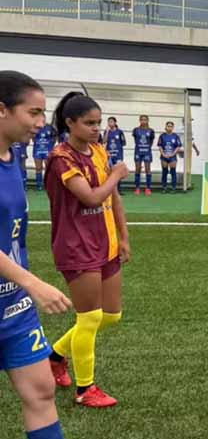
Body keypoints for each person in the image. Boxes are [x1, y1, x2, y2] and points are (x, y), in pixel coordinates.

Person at [0, 71, 120, 439]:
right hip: (23, 287)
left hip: (11, 305)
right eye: (32, 112)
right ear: (1, 110)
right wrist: (32, 282)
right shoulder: (56, 158)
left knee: (41, 391)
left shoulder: (13, 158)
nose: (39, 121)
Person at [45, 91, 131, 409]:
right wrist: (117, 175)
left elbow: (113, 199)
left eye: (98, 123)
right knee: (91, 317)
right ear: (70, 123)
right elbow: (92, 197)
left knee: (111, 315)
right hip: (76, 245)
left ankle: (54, 356)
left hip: (104, 241)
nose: (96, 129)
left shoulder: (99, 151)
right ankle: (86, 389)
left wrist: (123, 236)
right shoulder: (61, 159)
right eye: (89, 123)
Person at [157, 121, 183, 193]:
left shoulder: (175, 136)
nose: (169, 127)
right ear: (166, 127)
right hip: (164, 157)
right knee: (164, 172)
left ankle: (173, 188)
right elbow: (159, 146)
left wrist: (173, 154)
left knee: (173, 172)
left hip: (172, 157)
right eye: (168, 126)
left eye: (171, 126)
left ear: (173, 127)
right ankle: (164, 187)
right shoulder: (162, 136)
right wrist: (163, 154)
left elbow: (178, 147)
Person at [131, 115, 154, 196]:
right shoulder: (136, 130)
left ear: (148, 121)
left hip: (147, 152)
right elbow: (135, 140)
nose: (143, 121)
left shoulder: (151, 131)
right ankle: (137, 188)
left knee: (148, 169)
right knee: (137, 169)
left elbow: (151, 141)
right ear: (139, 120)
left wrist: (146, 148)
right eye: (142, 120)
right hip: (138, 152)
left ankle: (148, 188)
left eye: (145, 120)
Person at [30, 121, 55, 192]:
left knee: (48, 169)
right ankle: (39, 185)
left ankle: (49, 185)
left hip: (47, 151)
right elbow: (32, 138)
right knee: (38, 168)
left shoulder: (49, 127)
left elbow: (55, 137)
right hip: (38, 150)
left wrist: (50, 145)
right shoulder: (35, 127)